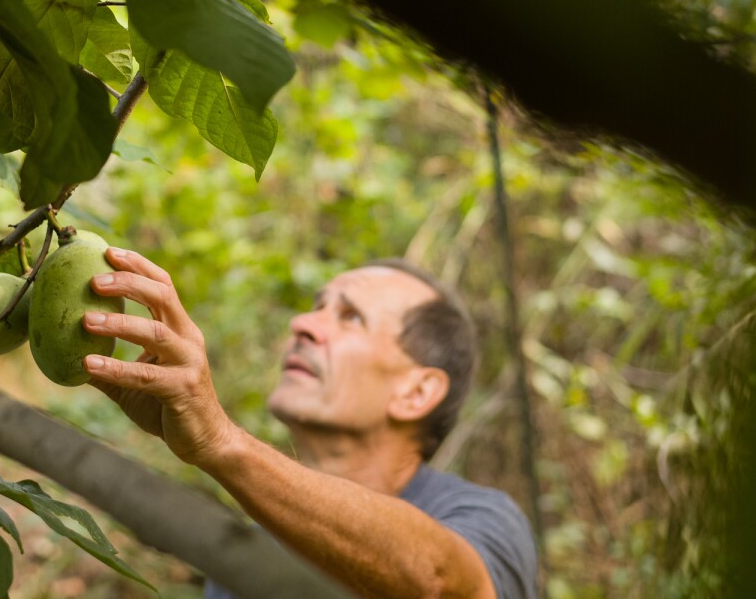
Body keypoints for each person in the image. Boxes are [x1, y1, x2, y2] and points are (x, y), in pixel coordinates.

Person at [80, 249, 538, 599]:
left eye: (350, 317)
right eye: (317, 307)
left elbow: (439, 581)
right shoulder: (247, 553)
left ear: (415, 393)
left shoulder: (484, 519)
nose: (303, 323)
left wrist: (221, 442)